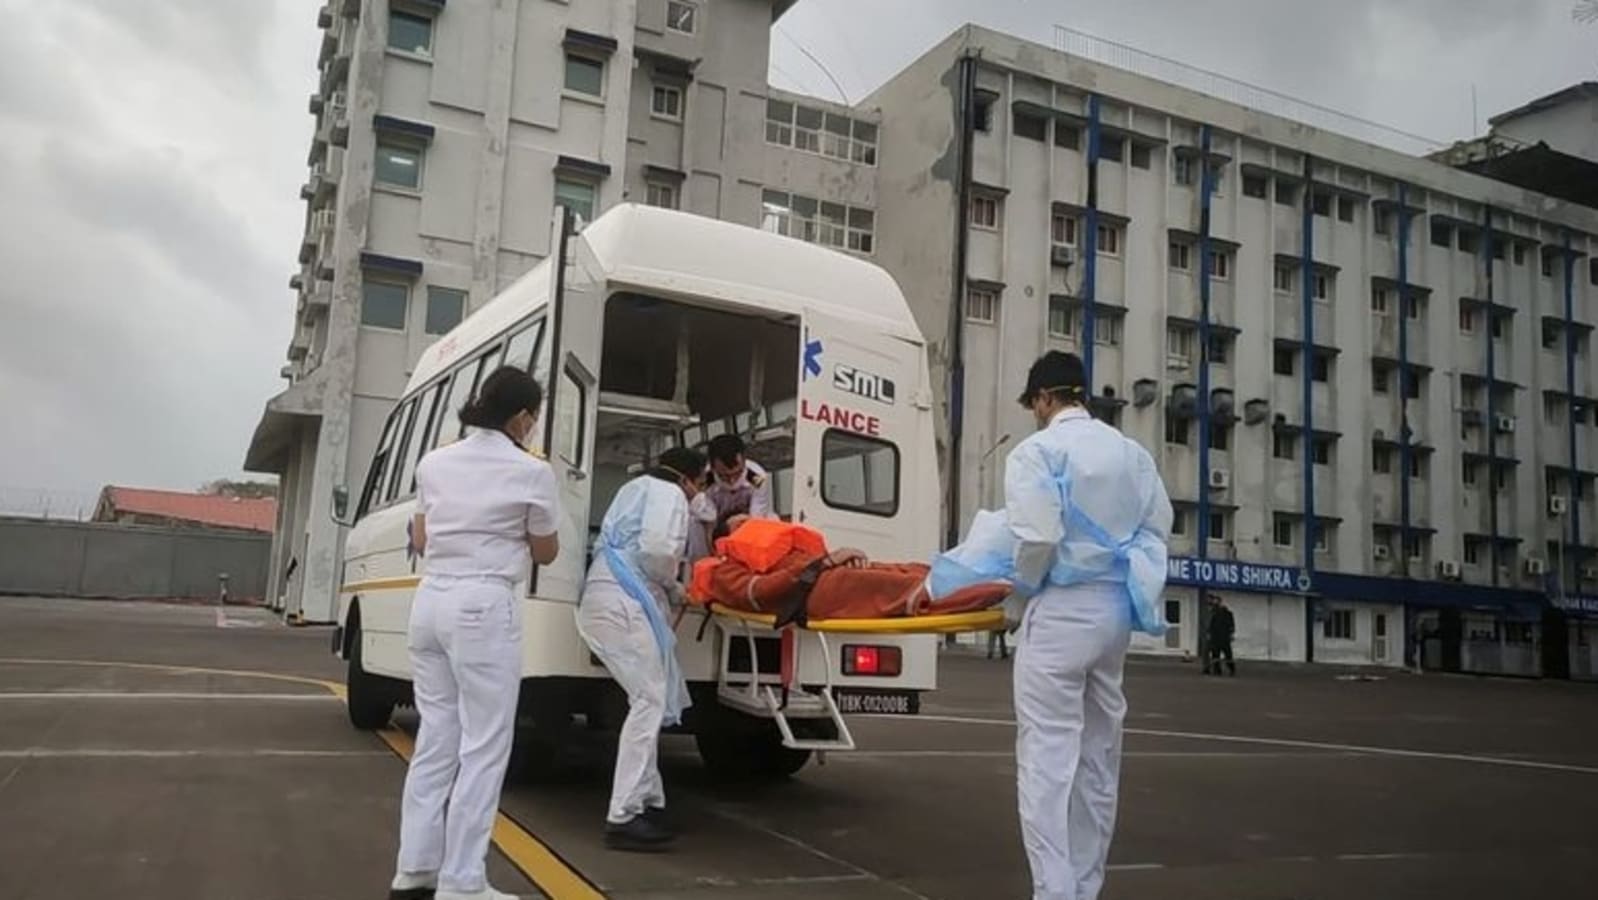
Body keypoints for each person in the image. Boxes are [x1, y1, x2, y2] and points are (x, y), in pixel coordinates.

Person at [1003, 351, 1173, 900]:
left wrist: (1018, 599)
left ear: (1047, 399)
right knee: (1098, 760)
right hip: (1114, 613)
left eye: (1035, 403)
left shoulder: (1038, 452)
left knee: (1047, 761)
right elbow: (1156, 528)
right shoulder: (1131, 453)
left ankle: (1053, 893)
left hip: (1061, 609)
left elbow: (1038, 539)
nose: (1035, 412)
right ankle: (1084, 887)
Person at [392, 366, 560, 900]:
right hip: (483, 605)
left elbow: (420, 534)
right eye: (532, 417)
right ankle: (463, 883)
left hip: (431, 601)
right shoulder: (532, 472)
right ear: (521, 416)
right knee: (484, 746)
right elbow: (546, 550)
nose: (532, 427)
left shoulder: (435, 462)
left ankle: (414, 870)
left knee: (437, 737)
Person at [577, 447, 709, 852]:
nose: (697, 494)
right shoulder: (670, 495)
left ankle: (650, 802)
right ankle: (624, 814)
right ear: (688, 479)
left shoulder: (633, 487)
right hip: (624, 601)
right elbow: (656, 553)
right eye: (699, 485)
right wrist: (674, 587)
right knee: (649, 701)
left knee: (644, 699)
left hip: (604, 595)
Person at [687, 518, 1010, 625]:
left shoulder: (778, 551)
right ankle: (997, 592)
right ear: (725, 540)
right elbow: (760, 594)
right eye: (742, 523)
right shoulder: (724, 570)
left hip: (826, 576)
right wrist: (824, 563)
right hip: (814, 592)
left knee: (906, 569)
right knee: (897, 588)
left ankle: (985, 573)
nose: (755, 525)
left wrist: (839, 558)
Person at [703, 434, 774, 538]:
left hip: (748, 521)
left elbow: (758, 515)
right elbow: (708, 520)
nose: (732, 481)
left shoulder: (756, 476)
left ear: (745, 460)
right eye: (725, 476)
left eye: (738, 473)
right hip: (718, 526)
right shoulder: (705, 479)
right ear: (713, 468)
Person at [1204, 596, 1237, 676]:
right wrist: (1209, 634)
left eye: (1217, 602)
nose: (1215, 604)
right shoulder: (1214, 614)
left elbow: (1231, 625)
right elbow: (1211, 625)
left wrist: (1231, 634)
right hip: (1216, 637)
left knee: (1228, 655)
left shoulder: (1228, 614)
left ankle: (1231, 669)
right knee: (1216, 655)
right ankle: (1217, 670)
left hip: (1224, 637)